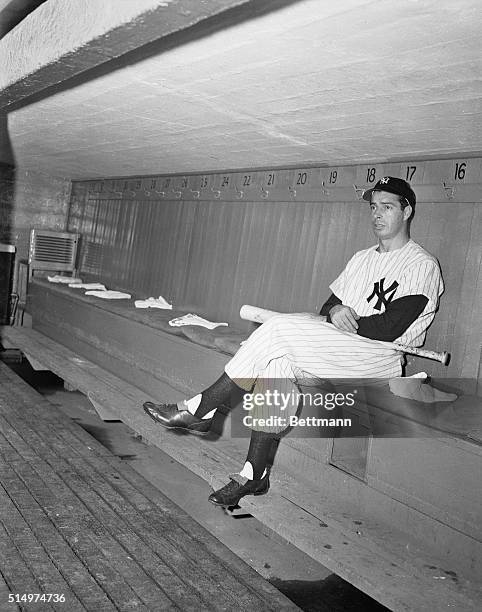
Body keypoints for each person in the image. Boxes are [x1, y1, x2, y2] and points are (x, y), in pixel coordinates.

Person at [143, 177, 444, 507]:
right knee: (277, 362)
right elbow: (327, 307)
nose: (377, 214)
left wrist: (344, 323)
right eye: (374, 207)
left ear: (407, 211)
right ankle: (253, 474)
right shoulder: (362, 258)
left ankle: (202, 407)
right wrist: (337, 311)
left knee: (278, 329)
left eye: (387, 207)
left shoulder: (422, 264)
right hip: (344, 347)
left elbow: (391, 327)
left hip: (380, 356)